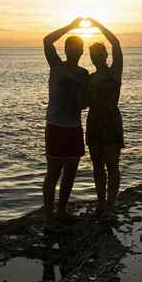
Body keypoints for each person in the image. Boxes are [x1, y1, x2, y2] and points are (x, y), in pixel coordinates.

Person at [42, 17, 89, 231]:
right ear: (66, 49)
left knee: (70, 172)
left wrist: (82, 99)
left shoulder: (83, 74)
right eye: (71, 47)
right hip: (56, 126)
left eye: (78, 48)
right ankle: (48, 215)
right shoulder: (57, 66)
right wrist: (71, 26)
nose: (75, 51)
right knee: (53, 172)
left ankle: (61, 211)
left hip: (74, 127)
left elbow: (85, 103)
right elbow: (47, 41)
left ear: (81, 52)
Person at [81, 18, 124, 216]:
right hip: (94, 122)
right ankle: (101, 202)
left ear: (105, 55)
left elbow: (115, 43)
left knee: (112, 163)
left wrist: (98, 25)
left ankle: (112, 201)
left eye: (99, 52)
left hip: (110, 122)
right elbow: (83, 102)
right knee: (97, 164)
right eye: (92, 54)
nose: (96, 56)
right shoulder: (90, 78)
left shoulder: (114, 73)